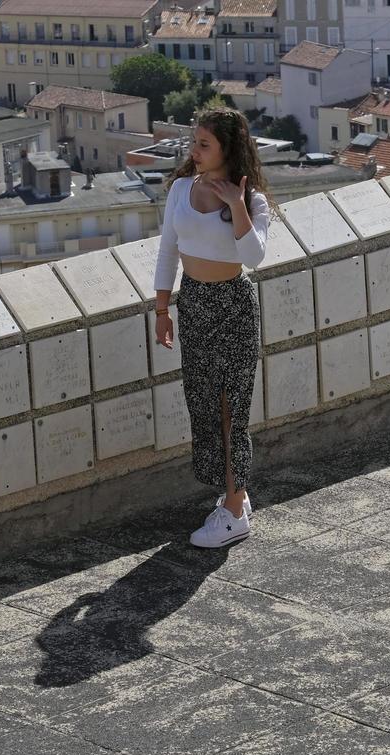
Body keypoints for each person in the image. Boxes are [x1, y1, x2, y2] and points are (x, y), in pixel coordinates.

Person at [153, 106, 274, 549]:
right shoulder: (181, 189)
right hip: (195, 303)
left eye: (204, 144)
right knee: (204, 405)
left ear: (228, 148)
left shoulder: (252, 200)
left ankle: (235, 507)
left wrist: (235, 205)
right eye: (194, 143)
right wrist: (162, 310)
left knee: (232, 408)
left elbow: (254, 258)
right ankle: (232, 497)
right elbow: (168, 251)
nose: (194, 151)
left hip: (234, 305)